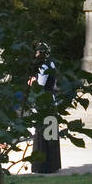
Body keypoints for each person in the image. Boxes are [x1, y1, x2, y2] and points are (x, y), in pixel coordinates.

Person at [28, 43, 61, 174]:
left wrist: (31, 82)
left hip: (43, 101)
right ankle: (53, 165)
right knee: (51, 133)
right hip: (51, 100)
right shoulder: (52, 64)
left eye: (37, 52)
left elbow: (39, 85)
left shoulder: (43, 66)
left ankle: (41, 166)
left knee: (41, 133)